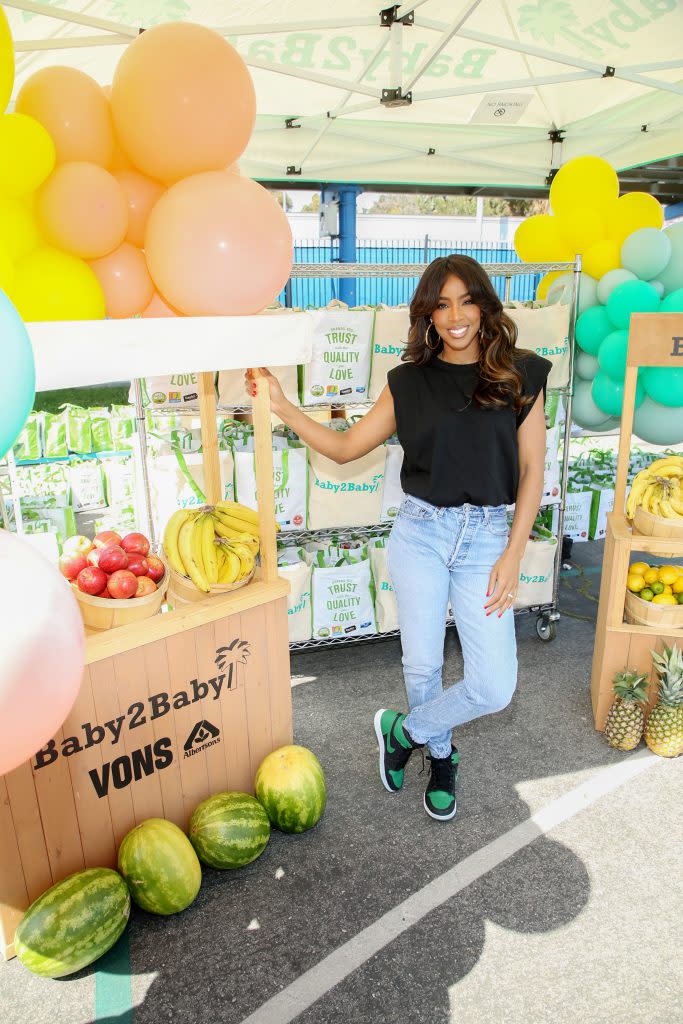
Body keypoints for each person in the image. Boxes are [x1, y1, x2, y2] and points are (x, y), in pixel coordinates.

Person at [245, 254, 549, 823]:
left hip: (487, 540)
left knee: (493, 686)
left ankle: (404, 731)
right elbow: (344, 447)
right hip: (421, 534)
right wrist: (284, 405)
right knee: (422, 667)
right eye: (441, 305)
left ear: (484, 305)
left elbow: (533, 471)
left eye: (466, 300)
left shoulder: (521, 373)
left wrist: (513, 554)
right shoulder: (408, 382)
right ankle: (439, 755)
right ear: (428, 317)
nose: (455, 315)